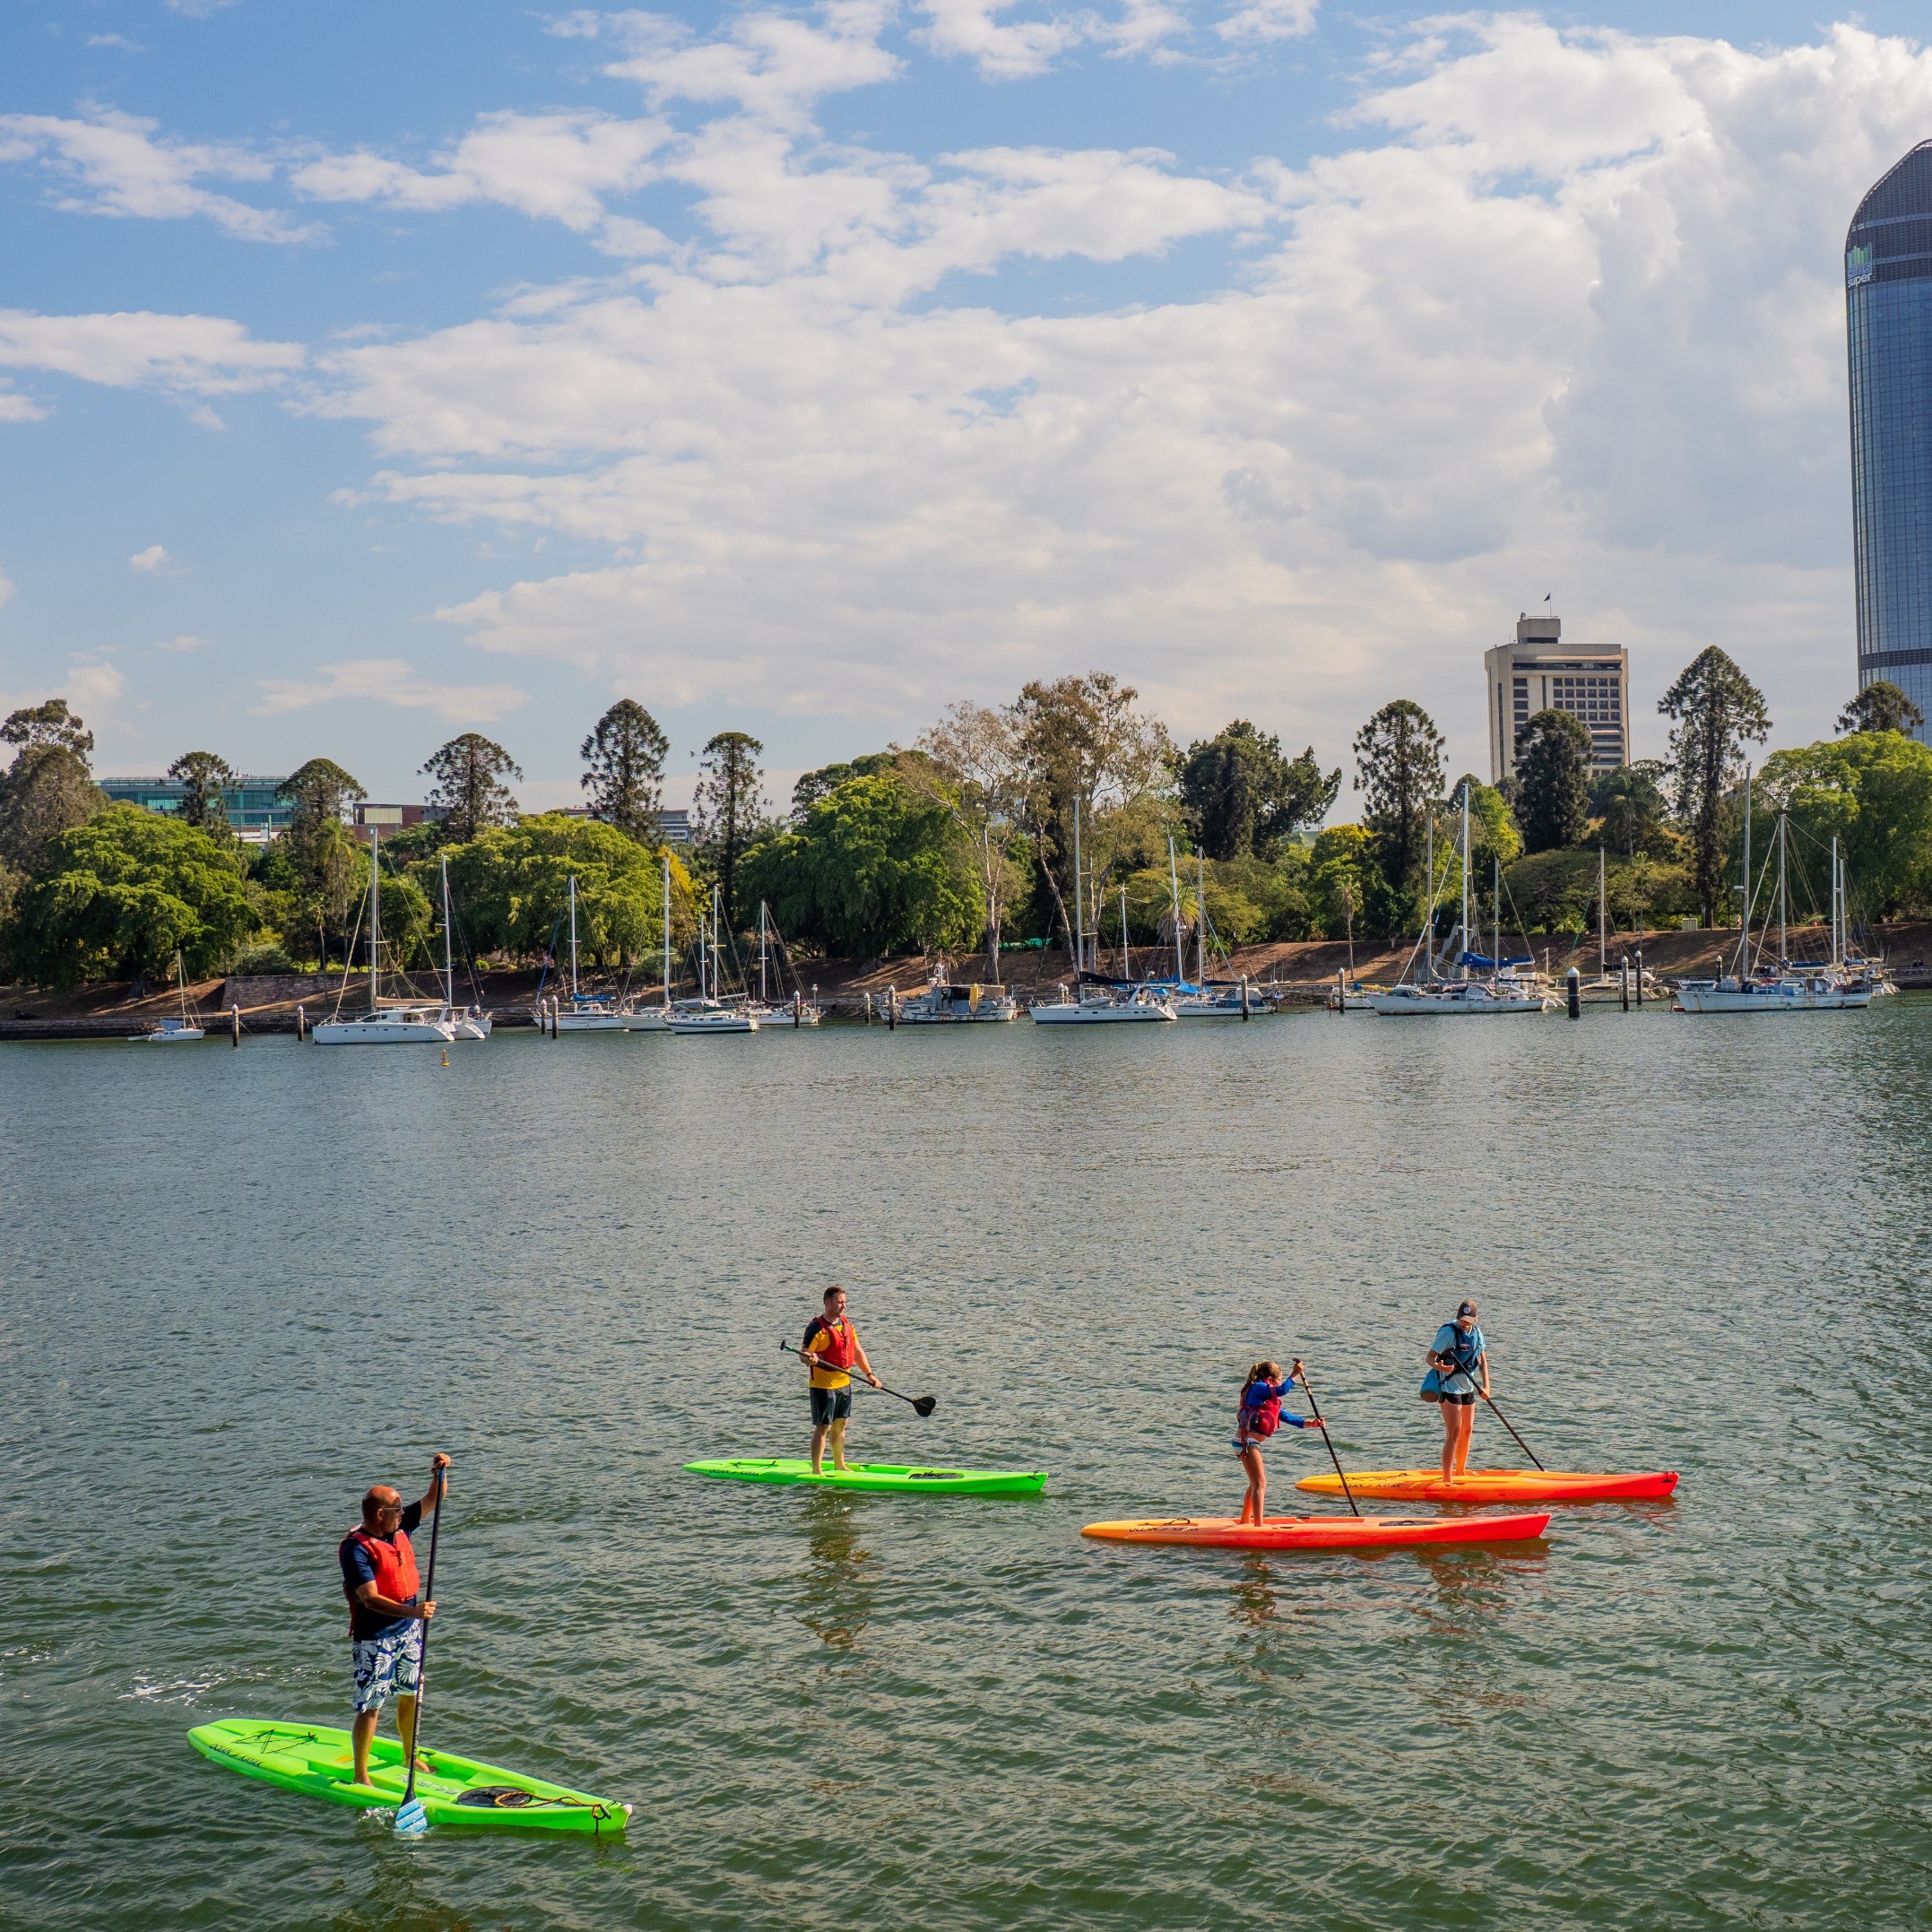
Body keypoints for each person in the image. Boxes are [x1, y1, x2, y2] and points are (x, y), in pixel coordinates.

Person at [339, 1453, 450, 1789]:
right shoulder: (355, 1549)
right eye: (396, 1510)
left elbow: (434, 1499)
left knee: (411, 1694)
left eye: (402, 1510)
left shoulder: (400, 1526)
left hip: (408, 1631)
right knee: (371, 1705)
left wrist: (440, 1473)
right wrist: (415, 1613)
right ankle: (361, 1774)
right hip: (376, 1637)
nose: (404, 1514)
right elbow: (369, 1599)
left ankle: (408, 1755)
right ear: (378, 1514)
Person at [1234, 1358, 1326, 1524]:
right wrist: (1295, 1374)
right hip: (1246, 1442)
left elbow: (1287, 1417)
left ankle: (1244, 1521)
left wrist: (1312, 1423)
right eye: (1278, 1380)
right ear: (1269, 1380)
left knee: (1255, 1483)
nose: (1278, 1385)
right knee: (1260, 1483)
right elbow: (1283, 1390)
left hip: (1247, 1442)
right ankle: (1258, 1525)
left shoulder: (1266, 1400)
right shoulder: (1258, 1388)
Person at [800, 1285, 879, 1474]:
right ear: (828, 1303)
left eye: (845, 1301)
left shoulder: (846, 1324)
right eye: (839, 1302)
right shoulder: (816, 1328)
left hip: (844, 1383)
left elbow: (857, 1351)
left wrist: (869, 1374)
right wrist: (809, 1358)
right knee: (823, 1427)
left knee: (841, 1425)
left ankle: (839, 1464)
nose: (844, 1305)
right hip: (823, 1385)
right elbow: (803, 1355)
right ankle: (817, 1471)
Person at [1425, 1301, 1489, 1482]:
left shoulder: (1477, 1334)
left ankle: (1460, 1471)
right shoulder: (1448, 1332)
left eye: (1468, 1321)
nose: (1464, 1323)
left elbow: (1483, 1362)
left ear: (1475, 1320)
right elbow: (1429, 1357)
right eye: (1462, 1320)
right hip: (1448, 1386)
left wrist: (1486, 1387)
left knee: (1467, 1431)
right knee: (1454, 1432)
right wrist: (1438, 1365)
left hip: (1468, 1387)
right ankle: (1447, 1479)